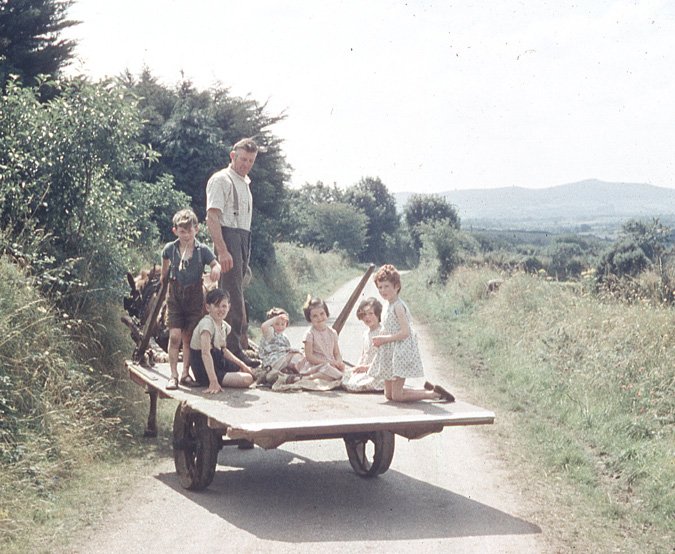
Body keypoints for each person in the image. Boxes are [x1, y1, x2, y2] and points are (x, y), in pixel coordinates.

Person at [205, 137, 260, 367]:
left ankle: (235, 347)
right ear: (232, 155)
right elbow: (212, 217)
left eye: (250, 160)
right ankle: (231, 353)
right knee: (230, 296)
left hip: (243, 237)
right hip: (229, 237)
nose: (246, 164)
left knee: (237, 293)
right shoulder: (222, 179)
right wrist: (223, 250)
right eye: (243, 159)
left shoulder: (244, 183)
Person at [370, 264, 455, 403]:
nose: (383, 290)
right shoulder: (386, 304)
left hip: (400, 350)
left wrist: (384, 339)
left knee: (397, 396)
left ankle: (434, 395)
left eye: (386, 286)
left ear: (396, 286)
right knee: (389, 395)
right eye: (380, 287)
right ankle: (429, 390)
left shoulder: (398, 306)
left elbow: (405, 332)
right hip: (389, 350)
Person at [160, 209, 221, 390]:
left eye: (190, 230)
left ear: (197, 229)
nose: (186, 235)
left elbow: (214, 263)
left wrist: (215, 269)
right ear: (175, 231)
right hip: (175, 296)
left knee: (188, 337)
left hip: (194, 297)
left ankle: (185, 373)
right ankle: (173, 375)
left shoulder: (202, 250)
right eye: (182, 231)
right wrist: (164, 278)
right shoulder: (170, 249)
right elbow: (164, 267)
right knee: (175, 336)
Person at [189, 288, 255, 394]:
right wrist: (213, 382)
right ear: (208, 307)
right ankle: (216, 379)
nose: (221, 309)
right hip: (204, 369)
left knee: (250, 371)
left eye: (224, 306)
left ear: (229, 307)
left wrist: (243, 365)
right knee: (247, 379)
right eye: (216, 306)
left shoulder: (223, 325)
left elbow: (223, 350)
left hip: (217, 361)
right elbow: (205, 354)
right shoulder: (207, 324)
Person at [272, 296, 344, 391]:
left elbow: (336, 353)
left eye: (322, 314)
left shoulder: (332, 333)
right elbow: (309, 357)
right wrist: (328, 362)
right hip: (315, 364)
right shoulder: (310, 334)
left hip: (329, 364)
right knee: (332, 372)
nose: (319, 318)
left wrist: (339, 361)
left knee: (339, 371)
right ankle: (305, 378)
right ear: (309, 318)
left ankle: (325, 375)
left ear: (326, 313)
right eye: (315, 316)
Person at [341, 297, 385, 393]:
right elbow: (363, 354)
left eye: (371, 314)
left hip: (376, 369)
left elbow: (382, 358)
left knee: (354, 385)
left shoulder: (382, 332)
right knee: (345, 376)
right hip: (364, 368)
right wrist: (358, 366)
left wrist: (366, 368)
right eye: (364, 314)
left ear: (378, 314)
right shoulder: (366, 333)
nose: (367, 317)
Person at [257, 307, 304, 385]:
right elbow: (264, 326)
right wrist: (275, 318)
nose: (280, 327)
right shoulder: (270, 332)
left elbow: (285, 349)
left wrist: (291, 350)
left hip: (281, 360)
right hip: (272, 361)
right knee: (293, 357)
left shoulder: (284, 336)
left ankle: (292, 373)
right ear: (271, 324)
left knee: (299, 355)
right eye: (277, 324)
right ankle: (299, 372)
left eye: (283, 324)